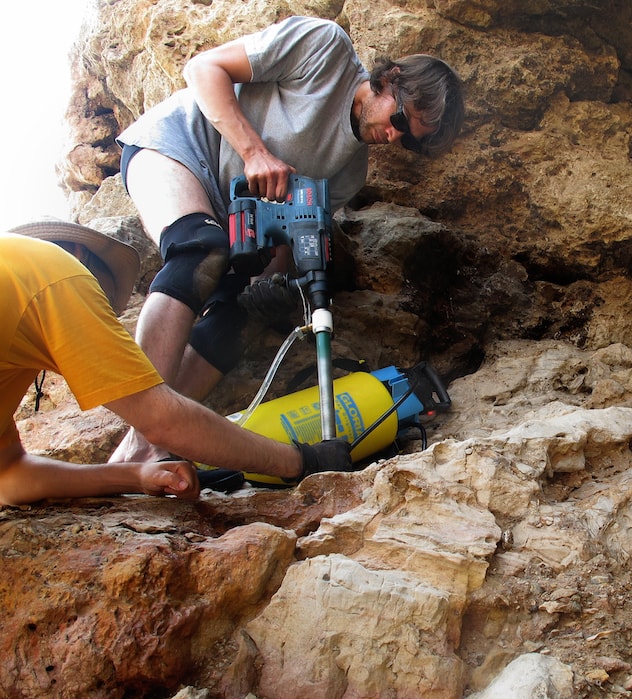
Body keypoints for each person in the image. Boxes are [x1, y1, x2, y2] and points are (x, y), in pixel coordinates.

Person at [110, 15, 465, 463]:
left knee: (236, 320)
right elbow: (204, 69)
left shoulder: (349, 173)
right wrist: (254, 153)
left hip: (230, 215)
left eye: (407, 140)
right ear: (390, 79)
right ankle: (146, 421)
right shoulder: (326, 51)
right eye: (399, 119)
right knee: (198, 250)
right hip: (178, 146)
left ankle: (139, 449)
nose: (393, 137)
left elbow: (287, 230)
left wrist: (270, 283)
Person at [0, 221, 352, 507]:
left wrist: (137, 476)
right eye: (102, 302)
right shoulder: (55, 271)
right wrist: (303, 461)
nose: (101, 319)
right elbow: (162, 420)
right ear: (79, 254)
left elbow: (10, 477)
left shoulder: (14, 329)